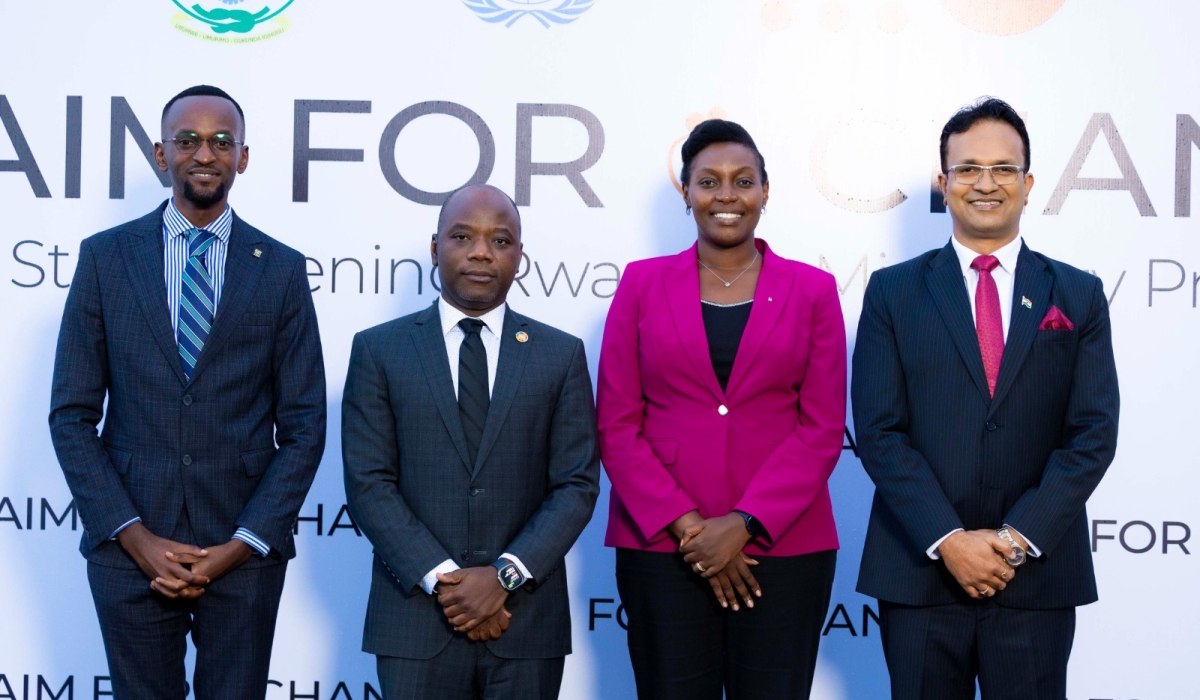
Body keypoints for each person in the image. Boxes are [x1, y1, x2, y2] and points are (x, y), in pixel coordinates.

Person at [48, 85, 327, 699]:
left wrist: (244, 542)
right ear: (160, 153)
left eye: (222, 141)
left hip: (243, 551)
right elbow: (71, 415)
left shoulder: (280, 269)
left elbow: (305, 424)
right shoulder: (105, 259)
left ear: (243, 158)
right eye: (189, 140)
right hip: (130, 548)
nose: (206, 153)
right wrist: (134, 537)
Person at [852, 97, 1120, 699]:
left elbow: (1093, 432)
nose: (986, 183)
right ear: (943, 184)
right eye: (969, 168)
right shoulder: (892, 292)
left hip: (1035, 579)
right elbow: (878, 431)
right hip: (921, 574)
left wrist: (1013, 540)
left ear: (1027, 185)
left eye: (1003, 168)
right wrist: (949, 539)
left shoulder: (1077, 294)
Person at [596, 119, 846, 699]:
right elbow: (616, 425)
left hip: (783, 549)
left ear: (765, 190)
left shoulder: (812, 290)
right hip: (664, 550)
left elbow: (822, 429)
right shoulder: (640, 284)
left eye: (743, 181)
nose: (726, 195)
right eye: (708, 181)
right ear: (686, 192)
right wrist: (692, 531)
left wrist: (744, 524)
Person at [342, 183, 600, 700]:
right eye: (463, 236)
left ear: (519, 257)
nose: (482, 251)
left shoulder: (559, 355)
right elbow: (369, 484)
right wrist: (448, 582)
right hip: (416, 622)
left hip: (524, 624)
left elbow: (575, 485)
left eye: (500, 241)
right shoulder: (379, 350)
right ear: (436, 248)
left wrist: (503, 577)